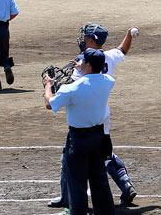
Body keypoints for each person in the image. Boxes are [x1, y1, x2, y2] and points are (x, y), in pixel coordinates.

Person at [50, 24, 139, 209]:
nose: (83, 39)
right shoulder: (108, 59)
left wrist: (52, 86)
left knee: (72, 155)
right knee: (102, 153)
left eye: (86, 36)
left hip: (86, 117)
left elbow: (77, 87)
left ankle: (67, 198)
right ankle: (125, 184)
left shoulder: (83, 64)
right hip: (101, 113)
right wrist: (128, 34)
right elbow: (123, 50)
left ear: (92, 40)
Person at [44, 48, 116, 215]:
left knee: (77, 183)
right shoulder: (108, 81)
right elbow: (94, 79)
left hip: (78, 140)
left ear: (89, 66)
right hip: (99, 137)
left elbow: (50, 104)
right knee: (99, 180)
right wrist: (82, 69)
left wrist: (48, 86)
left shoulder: (71, 89)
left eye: (83, 62)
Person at [0, 0, 18, 91]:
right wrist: (4, 20)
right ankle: (6, 65)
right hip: (3, 27)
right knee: (3, 52)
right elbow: (15, 12)